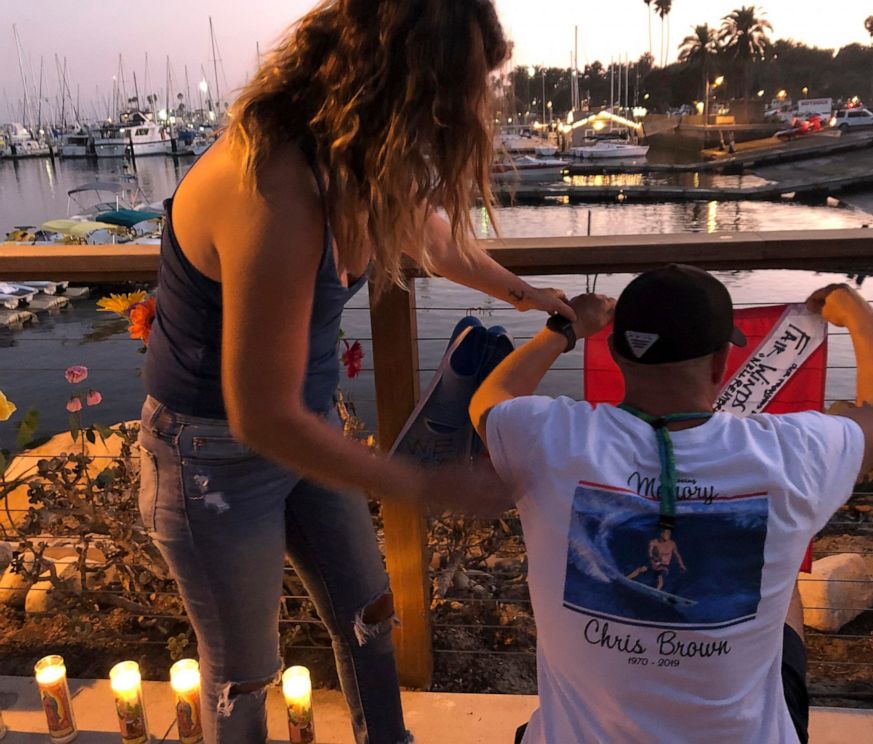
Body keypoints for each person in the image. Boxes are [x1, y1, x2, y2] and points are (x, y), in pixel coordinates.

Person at [137, 2, 571, 743]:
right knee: (242, 675)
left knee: (370, 612)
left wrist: (529, 296)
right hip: (212, 456)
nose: (469, 110)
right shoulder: (272, 176)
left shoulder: (344, 154)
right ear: (399, 81)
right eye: (457, 88)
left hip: (304, 433)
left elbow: (432, 236)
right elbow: (258, 411)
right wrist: (428, 485)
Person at [470, 267, 873, 744]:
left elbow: (489, 401)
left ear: (616, 354)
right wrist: (860, 314)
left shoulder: (550, 439)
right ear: (721, 363)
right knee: (780, 581)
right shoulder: (792, 452)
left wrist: (565, 328)